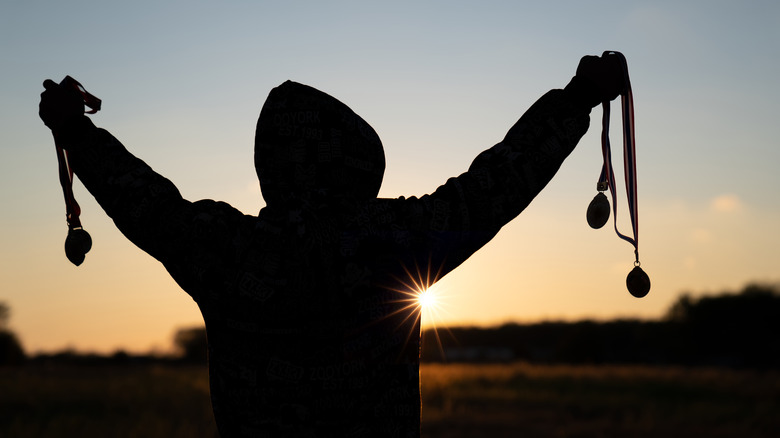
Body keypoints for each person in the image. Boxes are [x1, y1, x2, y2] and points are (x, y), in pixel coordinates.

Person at [39, 54, 624, 437]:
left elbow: (142, 199)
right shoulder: (398, 241)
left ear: (270, 164)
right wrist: (579, 97)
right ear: (360, 161)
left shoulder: (222, 247)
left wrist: (74, 130)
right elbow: (498, 183)